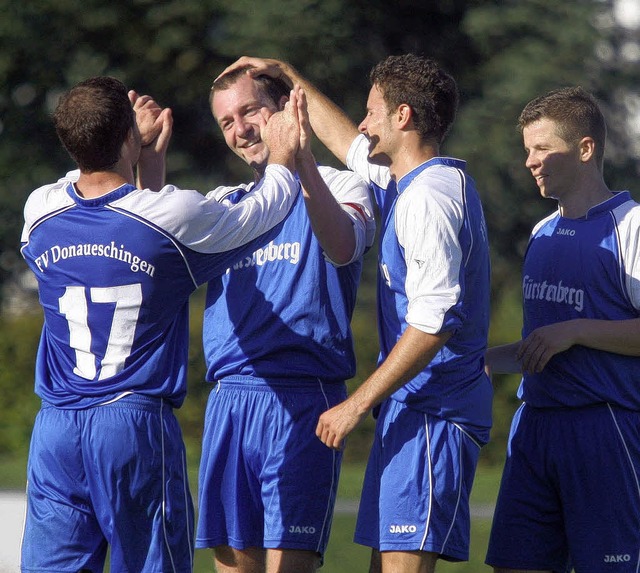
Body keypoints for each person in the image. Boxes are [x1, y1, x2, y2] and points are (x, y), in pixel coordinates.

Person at [219, 55, 493, 573]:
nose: (363, 124)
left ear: (404, 117)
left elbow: (436, 322)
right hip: (413, 409)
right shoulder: (410, 182)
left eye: (371, 112)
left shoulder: (428, 200)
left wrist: (356, 403)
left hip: (436, 412)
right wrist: (289, 76)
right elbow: (346, 143)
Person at [19, 75, 303, 573]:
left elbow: (101, 203)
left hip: (56, 430)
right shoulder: (173, 216)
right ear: (127, 135)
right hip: (132, 425)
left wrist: (133, 153)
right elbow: (269, 210)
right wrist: (282, 151)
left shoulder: (39, 212)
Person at [195, 65, 375, 573]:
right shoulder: (224, 204)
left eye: (249, 111)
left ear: (287, 107)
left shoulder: (343, 185)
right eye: (226, 121)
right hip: (230, 400)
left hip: (303, 400)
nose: (240, 130)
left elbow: (341, 246)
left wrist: (300, 164)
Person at [483, 87, 640, 573]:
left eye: (543, 148)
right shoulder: (542, 232)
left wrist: (575, 330)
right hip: (533, 427)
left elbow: (567, 335)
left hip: (604, 427)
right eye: (528, 148)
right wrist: (484, 361)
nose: (530, 160)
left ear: (586, 148)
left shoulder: (631, 226)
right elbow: (540, 346)